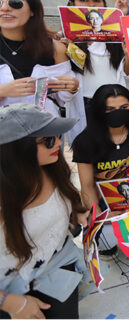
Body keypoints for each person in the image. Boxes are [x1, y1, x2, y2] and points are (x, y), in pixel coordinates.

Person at [0, 104, 89, 319]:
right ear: (17, 150)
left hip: (54, 262)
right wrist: (10, 303)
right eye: (48, 140)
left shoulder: (53, 168)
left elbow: (67, 203)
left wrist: (77, 215)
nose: (59, 143)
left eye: (57, 135)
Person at [71, 84, 129, 255]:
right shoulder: (85, 141)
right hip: (106, 205)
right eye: (109, 109)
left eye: (124, 107)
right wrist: (102, 217)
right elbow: (87, 186)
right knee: (102, 242)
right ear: (98, 110)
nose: (117, 113)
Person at [0, 0, 84, 144]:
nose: (4, 8)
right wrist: (3, 90)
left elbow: (63, 97)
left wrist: (72, 87)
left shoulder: (54, 47)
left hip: (46, 136)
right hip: (4, 140)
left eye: (14, 3)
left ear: (32, 10)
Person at [64, 0, 129, 116]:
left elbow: (125, 73)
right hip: (83, 107)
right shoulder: (64, 40)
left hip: (116, 105)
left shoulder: (116, 38)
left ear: (104, 5)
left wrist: (119, 19)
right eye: (83, 0)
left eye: (96, 0)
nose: (90, 4)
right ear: (71, 4)